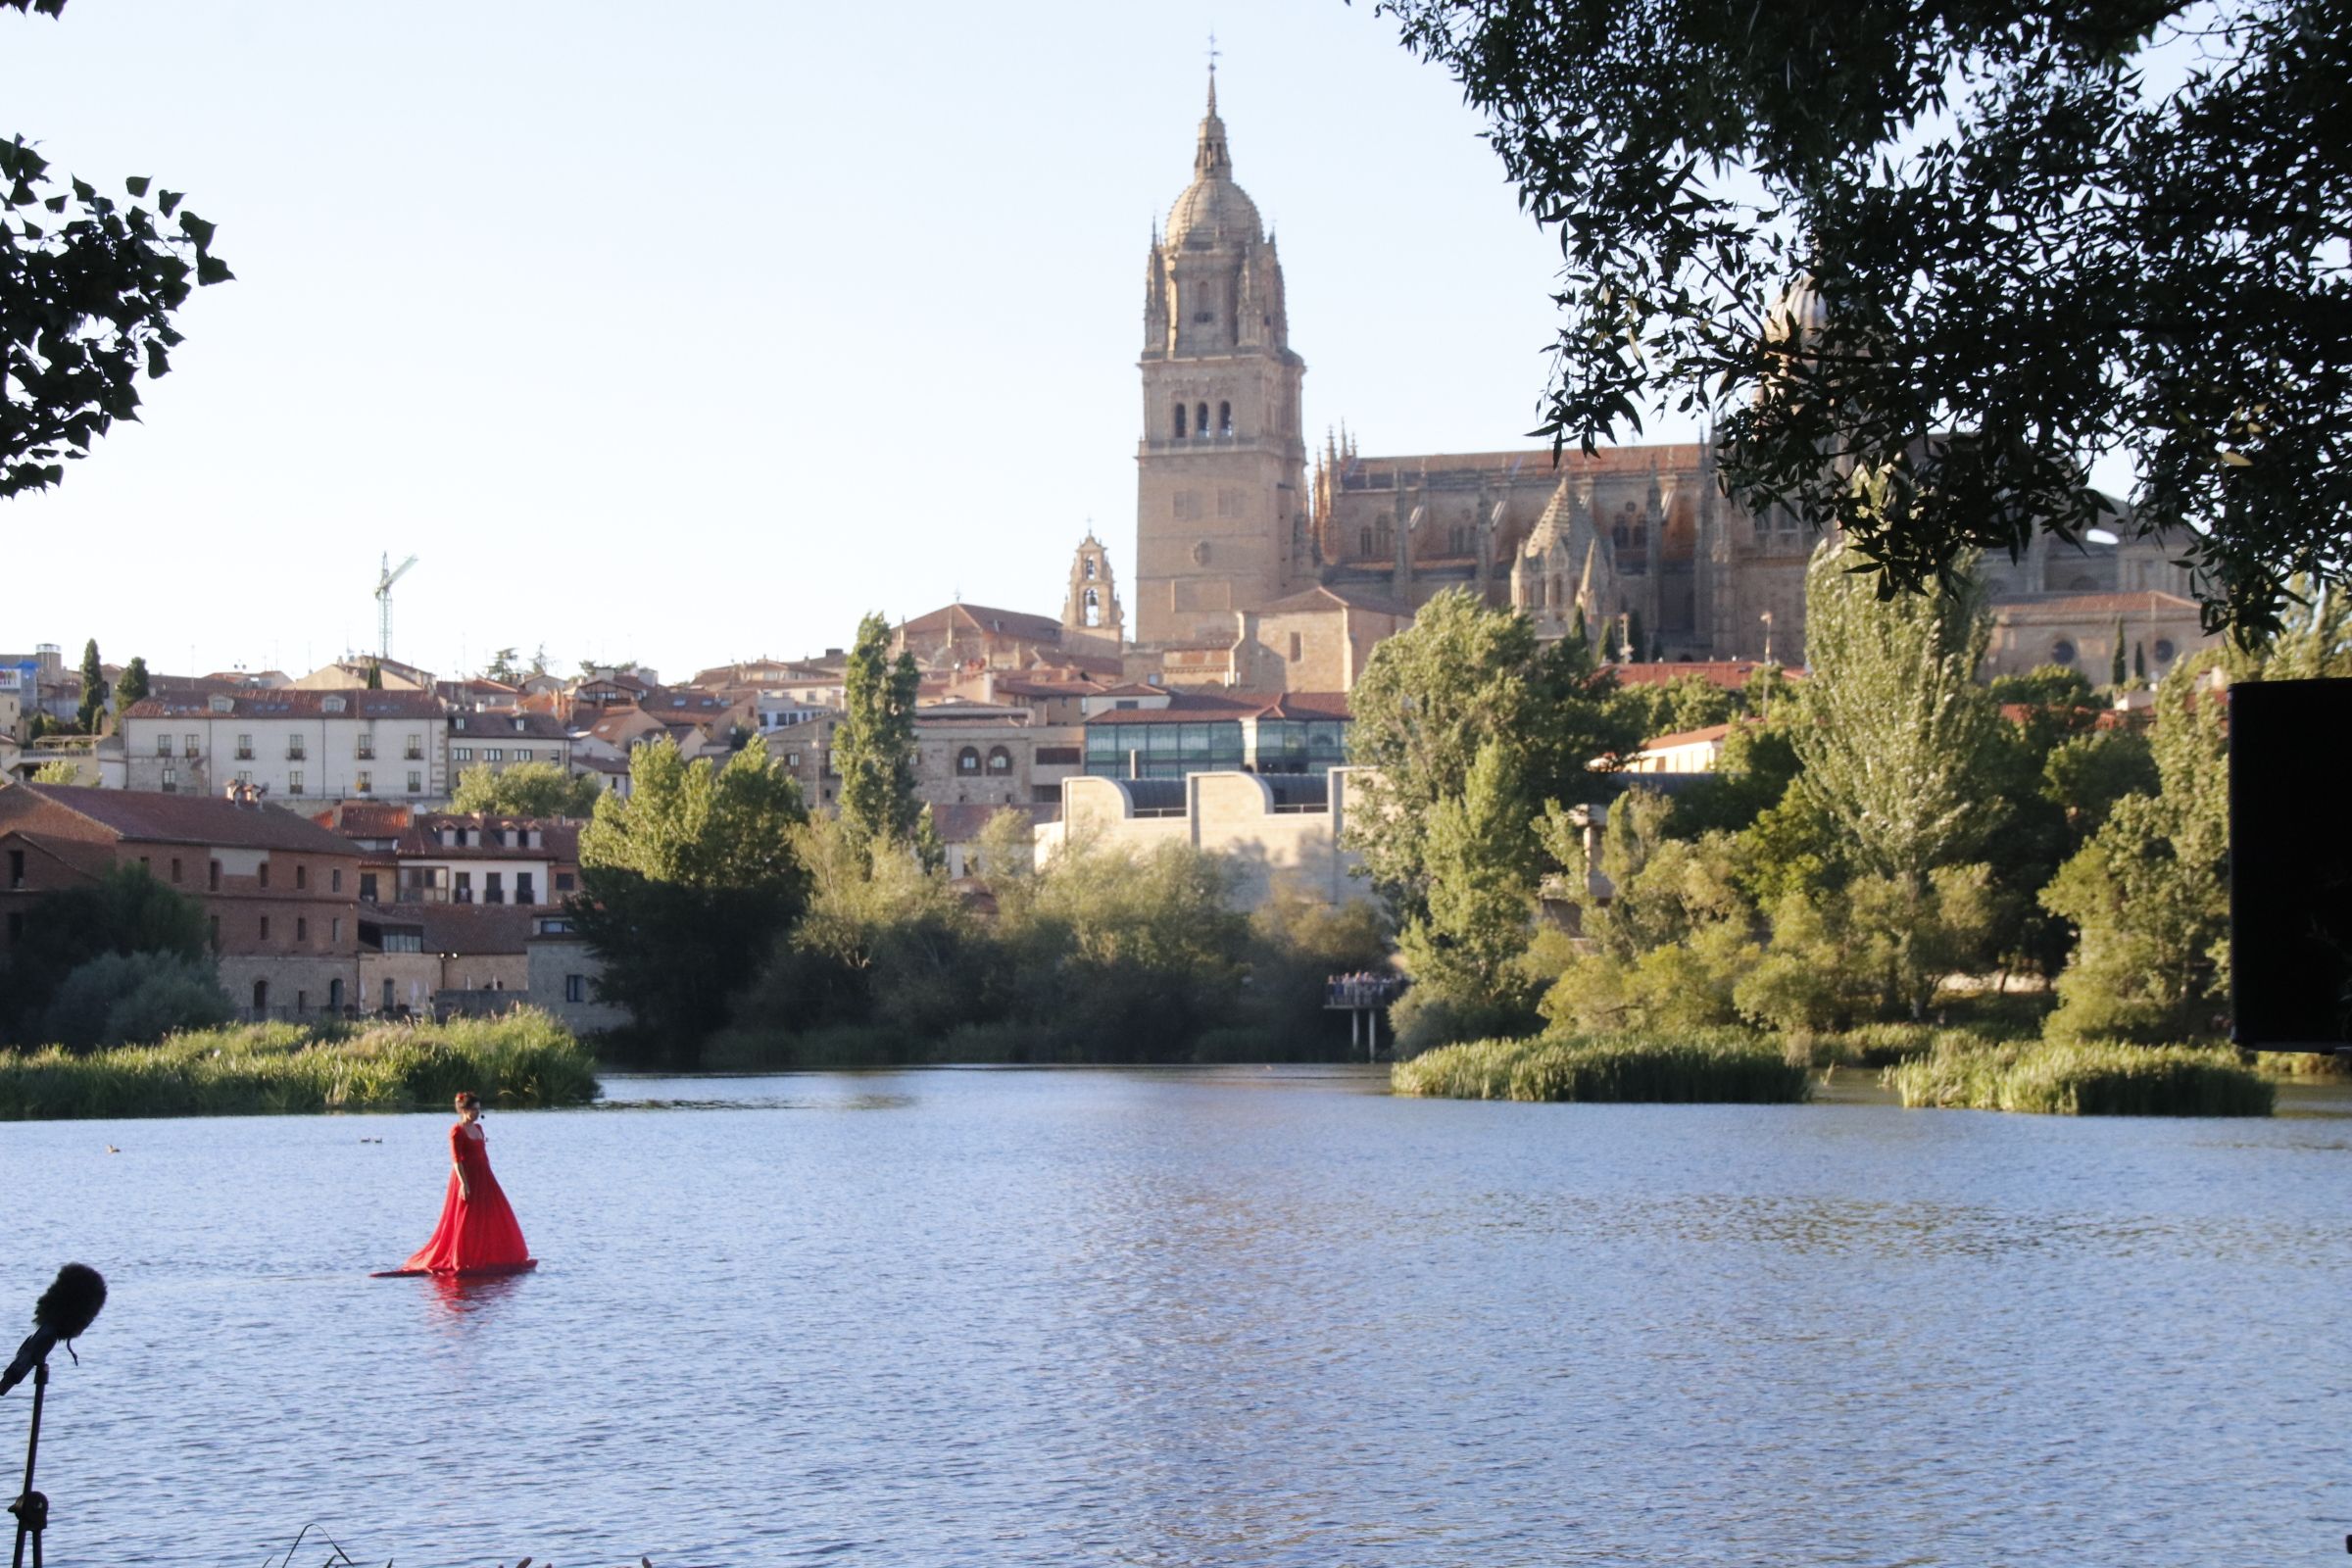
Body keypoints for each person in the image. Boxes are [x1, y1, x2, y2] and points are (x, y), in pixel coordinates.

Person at [398, 1091, 534, 1275]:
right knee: (466, 1219)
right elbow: (456, 1160)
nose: (478, 1113)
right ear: (464, 1110)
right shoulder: (456, 1131)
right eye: (474, 1109)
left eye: (479, 1109)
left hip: (484, 1177)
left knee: (491, 1215)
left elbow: (483, 1156)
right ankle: (464, 1259)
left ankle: (489, 1256)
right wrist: (464, 1183)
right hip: (466, 1178)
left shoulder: (478, 1129)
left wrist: (489, 1176)